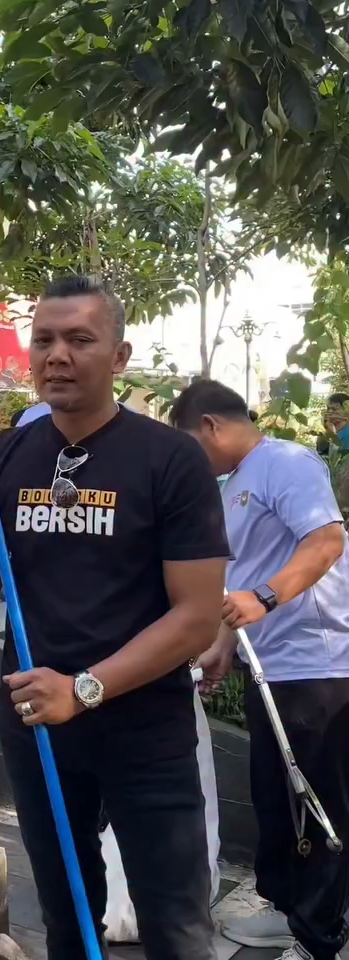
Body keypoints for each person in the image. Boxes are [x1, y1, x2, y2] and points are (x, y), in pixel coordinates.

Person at [0, 275, 229, 960]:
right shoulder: (9, 453)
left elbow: (194, 618)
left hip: (143, 731)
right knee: (68, 920)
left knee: (178, 931)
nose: (57, 354)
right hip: (38, 732)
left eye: (79, 339)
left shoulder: (170, 459)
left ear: (119, 357)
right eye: (43, 340)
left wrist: (83, 689)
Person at [171, 379, 349, 960]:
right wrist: (225, 644)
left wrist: (265, 600)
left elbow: (325, 542)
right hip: (269, 668)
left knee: (319, 801)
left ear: (211, 427)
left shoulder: (286, 463)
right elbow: (238, 581)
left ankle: (320, 937)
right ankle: (285, 907)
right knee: (276, 797)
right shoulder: (235, 485)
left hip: (317, 667)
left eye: (189, 449)